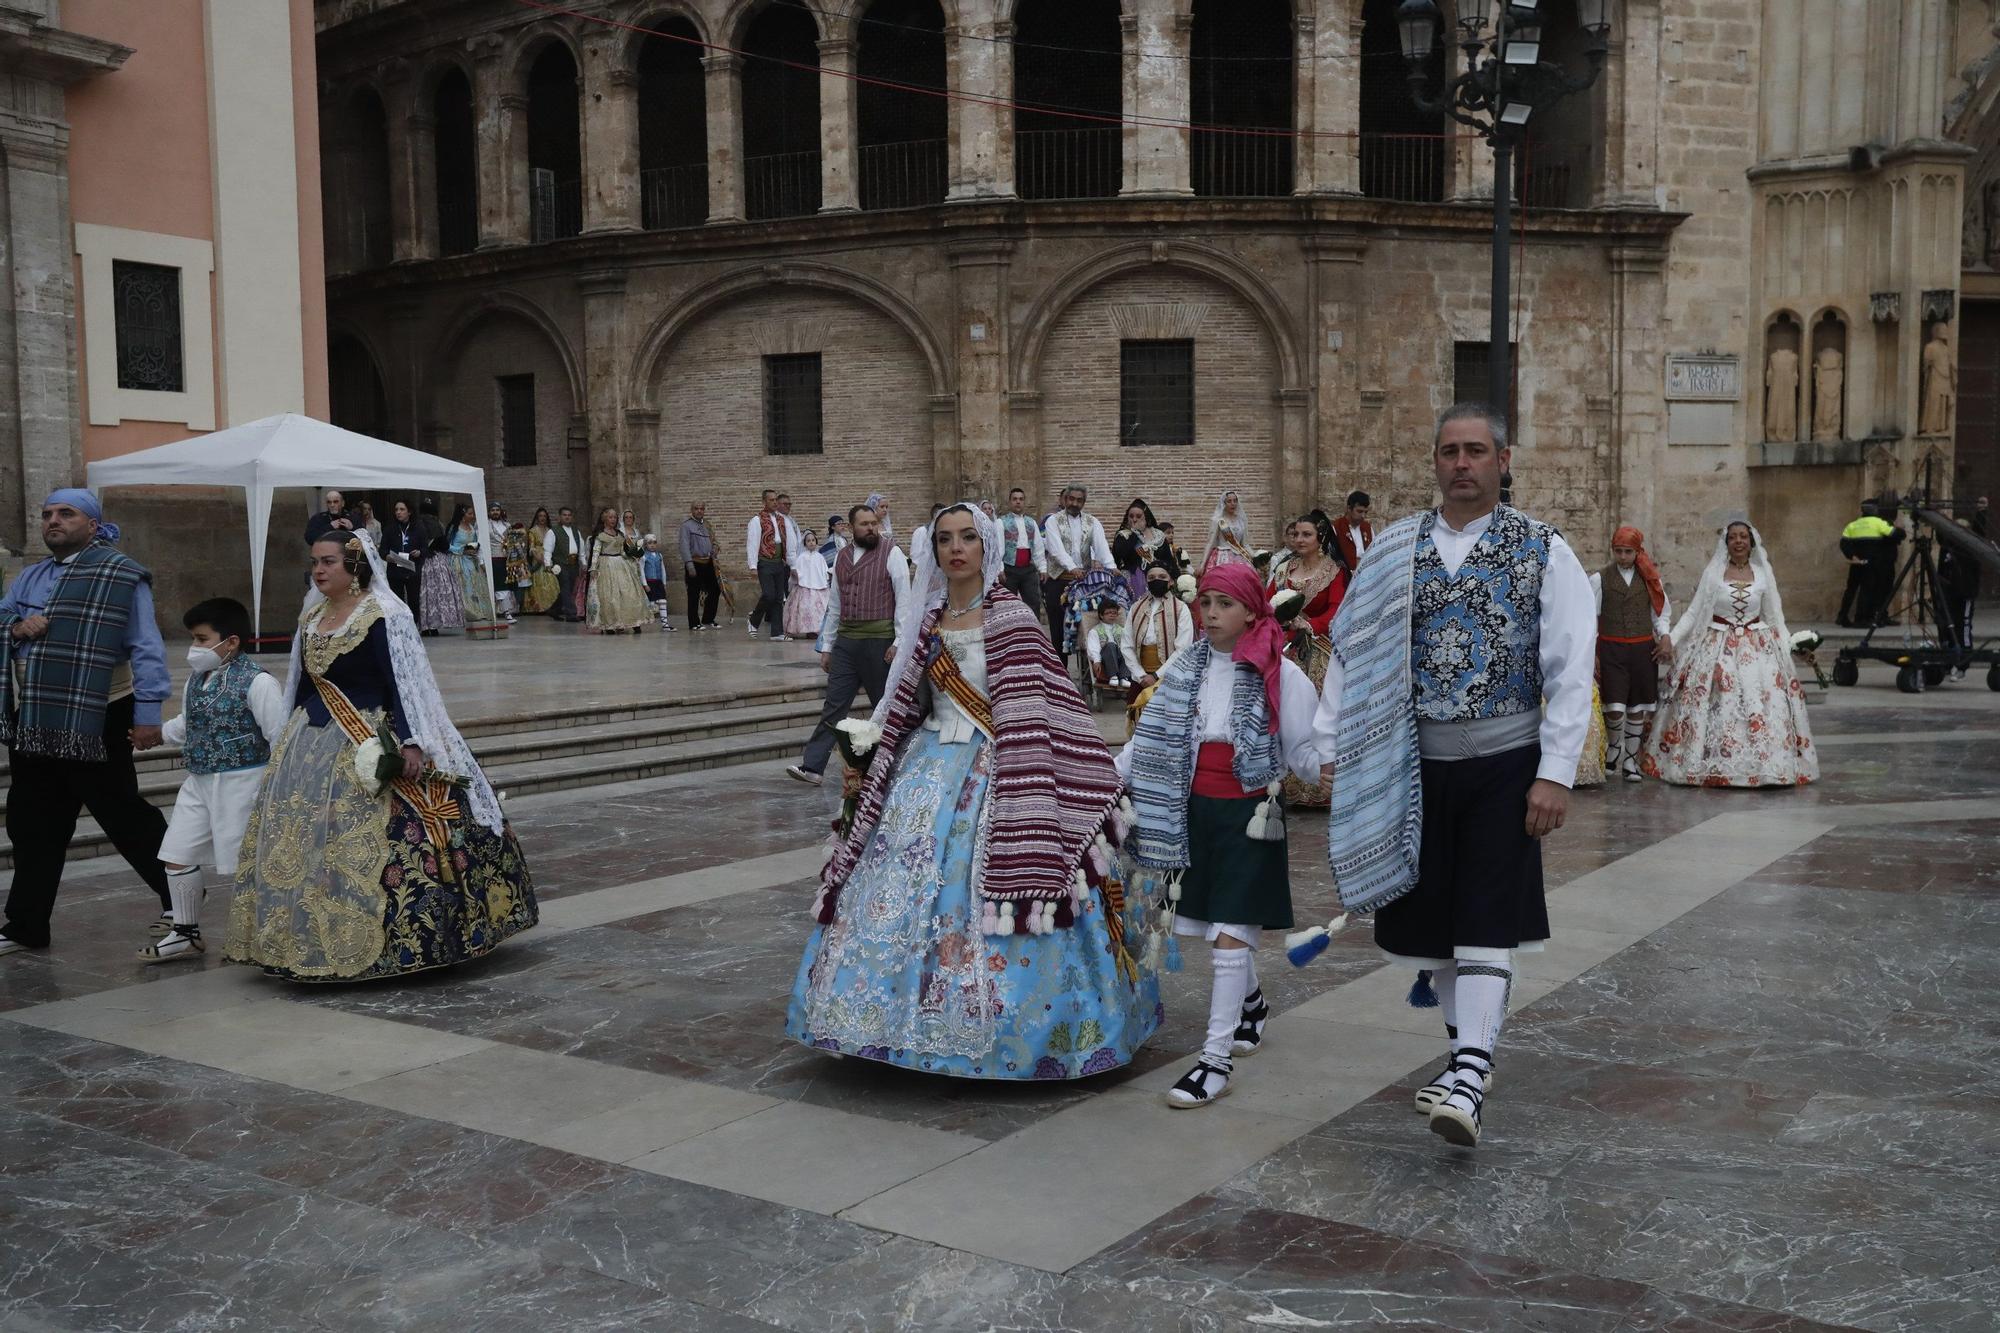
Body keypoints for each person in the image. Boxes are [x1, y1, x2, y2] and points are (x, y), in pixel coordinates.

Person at [786, 502, 1160, 1078]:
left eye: (967, 538)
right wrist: (871, 747)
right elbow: (905, 700)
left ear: (987, 548)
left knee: (984, 882)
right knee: (896, 889)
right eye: (943, 540)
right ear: (932, 551)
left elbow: (1044, 704)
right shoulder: (929, 619)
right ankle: (878, 1021)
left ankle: (1026, 1033)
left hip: (999, 771)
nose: (955, 548)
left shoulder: (1011, 618)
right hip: (924, 774)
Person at [1311, 403, 1594, 1149]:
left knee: (1485, 916)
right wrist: (1333, 742)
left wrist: (1556, 771)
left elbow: (1570, 666)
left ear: (1505, 460)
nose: (1462, 463)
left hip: (1506, 764)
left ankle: (1469, 1069)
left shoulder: (1543, 549)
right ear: (1434, 461)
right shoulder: (1393, 551)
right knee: (1432, 925)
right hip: (1412, 763)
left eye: (1476, 450)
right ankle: (1467, 1051)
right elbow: (1354, 649)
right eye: (1449, 451)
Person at [225, 532, 536, 980]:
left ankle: (401, 943)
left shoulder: (383, 614)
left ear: (355, 566)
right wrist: (284, 746)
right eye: (315, 562)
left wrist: (412, 741)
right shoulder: (312, 616)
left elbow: (404, 682)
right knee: (305, 841)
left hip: (371, 735)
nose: (319, 570)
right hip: (310, 744)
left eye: (329, 561)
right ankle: (302, 937)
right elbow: (302, 685)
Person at [1120, 561, 1322, 1108]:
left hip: (1250, 817)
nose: (1210, 613)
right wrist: (1107, 778)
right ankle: (1251, 1005)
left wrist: (1334, 743)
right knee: (1213, 925)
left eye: (1224, 603)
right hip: (1193, 814)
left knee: (1230, 934)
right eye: (1205, 602)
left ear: (1252, 610)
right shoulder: (1186, 666)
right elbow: (1151, 739)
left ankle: (1214, 1062)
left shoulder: (1282, 674)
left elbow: (1305, 755)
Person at [0, 489, 175, 957]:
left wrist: (147, 715)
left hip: (100, 712)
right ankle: (26, 925)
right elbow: (3, 617)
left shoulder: (121, 574)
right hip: (36, 718)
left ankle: (182, 903)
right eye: (46, 515)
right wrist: (17, 628)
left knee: (122, 815)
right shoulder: (30, 576)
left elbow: (146, 646)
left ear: (94, 525)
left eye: (66, 514)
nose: (52, 521)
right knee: (32, 822)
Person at [139, 597, 288, 962]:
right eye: (193, 638)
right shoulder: (197, 680)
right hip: (199, 780)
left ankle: (264, 937)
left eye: (202, 639)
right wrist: (156, 734)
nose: (195, 648)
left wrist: (277, 787)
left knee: (246, 861)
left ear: (231, 641)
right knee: (176, 852)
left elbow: (280, 735)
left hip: (243, 784)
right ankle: (185, 932)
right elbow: (188, 723)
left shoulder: (259, 682)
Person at [1641, 520, 1818, 788]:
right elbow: (1693, 613)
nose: (1738, 541)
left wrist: (1790, 648)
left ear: (1751, 542)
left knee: (1760, 702)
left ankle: (1764, 766)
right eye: (1733, 537)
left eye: (1743, 537)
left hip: (1757, 649)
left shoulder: (1762, 574)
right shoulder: (1713, 574)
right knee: (1719, 701)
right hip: (1716, 646)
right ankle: (1713, 763)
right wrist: (1671, 639)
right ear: (1726, 544)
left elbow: (1773, 618)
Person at [787, 503, 909, 786]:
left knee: (883, 705)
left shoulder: (892, 553)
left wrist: (899, 641)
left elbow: (905, 598)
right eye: (864, 524)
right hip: (846, 643)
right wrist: (827, 646)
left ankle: (898, 764)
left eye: (873, 523)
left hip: (880, 642)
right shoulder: (841, 557)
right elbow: (835, 604)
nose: (870, 528)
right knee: (834, 706)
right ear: (852, 527)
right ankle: (813, 767)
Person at [1268, 513, 1347, 810]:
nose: (1299, 540)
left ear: (1321, 538)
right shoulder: (1283, 569)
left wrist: (1309, 624)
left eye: (1306, 535)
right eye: (1296, 534)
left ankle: (1319, 782)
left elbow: (1337, 608)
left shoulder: (1334, 571)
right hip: (1285, 648)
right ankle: (1283, 782)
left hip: (1318, 648)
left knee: (1318, 711)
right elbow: (1268, 602)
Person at [1591, 526, 1674, 782]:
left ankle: (1630, 759)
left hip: (1641, 649)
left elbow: (1660, 613)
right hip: (1611, 648)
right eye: (1619, 551)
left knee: (1637, 705)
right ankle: (1614, 747)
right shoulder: (1599, 578)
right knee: (1614, 704)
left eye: (1628, 552)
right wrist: (1591, 650)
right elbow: (1591, 616)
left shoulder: (1650, 579)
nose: (1623, 556)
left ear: (1638, 551)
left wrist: (1666, 637)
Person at [1043, 485, 1118, 658]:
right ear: (1065, 500)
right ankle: (1060, 671)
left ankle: (1088, 670)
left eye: (1079, 500)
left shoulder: (1092, 522)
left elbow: (1102, 548)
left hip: (1083, 584)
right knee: (1058, 630)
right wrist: (1072, 567)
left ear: (1084, 502)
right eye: (1071, 499)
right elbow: (1056, 550)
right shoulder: (1053, 521)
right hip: (1059, 580)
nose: (1074, 503)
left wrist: (1112, 567)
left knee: (1085, 626)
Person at [745, 489, 802, 641]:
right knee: (768, 595)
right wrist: (752, 566)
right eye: (771, 500)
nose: (775, 502)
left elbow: (789, 544)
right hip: (764, 561)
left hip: (779, 562)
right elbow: (752, 544)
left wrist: (793, 565)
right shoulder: (757, 520)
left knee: (778, 597)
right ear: (764, 502)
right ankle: (753, 620)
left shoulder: (783, 520)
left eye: (776, 500)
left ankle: (777, 632)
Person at [1836, 501, 1897, 628]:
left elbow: (1844, 544)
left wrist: (1852, 556)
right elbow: (1894, 534)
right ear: (1875, 511)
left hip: (1856, 562)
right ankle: (1861, 619)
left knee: (1851, 589)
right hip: (1871, 563)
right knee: (1867, 590)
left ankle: (1842, 616)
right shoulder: (1878, 523)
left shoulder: (1853, 525)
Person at [587, 507, 648, 634]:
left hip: (621, 565)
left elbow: (622, 552)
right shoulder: (601, 535)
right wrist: (593, 567)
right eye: (610, 517)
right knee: (609, 597)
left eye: (615, 517)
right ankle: (610, 624)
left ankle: (633, 622)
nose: (613, 519)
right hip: (606, 565)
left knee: (628, 593)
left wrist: (633, 556)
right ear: (604, 518)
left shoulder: (620, 534)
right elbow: (596, 552)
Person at [1112, 499, 1177, 603]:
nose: (1134, 519)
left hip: (1158, 581)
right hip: (1132, 582)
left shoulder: (1158, 535)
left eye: (1138, 516)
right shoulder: (1123, 535)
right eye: (1131, 516)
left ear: (1146, 516)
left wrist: (1173, 579)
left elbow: (1169, 560)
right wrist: (1135, 533)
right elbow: (1120, 555)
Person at [416, 497, 463, 636]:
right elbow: (445, 545)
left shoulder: (417, 524)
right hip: (437, 561)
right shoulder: (438, 524)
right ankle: (435, 625)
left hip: (421, 560)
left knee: (423, 594)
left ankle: (424, 625)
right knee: (437, 593)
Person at [996, 487, 1046, 615]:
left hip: (1028, 570)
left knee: (1033, 602)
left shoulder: (1031, 523)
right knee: (1008, 604)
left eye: (1021, 499)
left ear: (1024, 502)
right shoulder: (1001, 522)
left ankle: (1034, 632)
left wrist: (1042, 568)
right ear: (1009, 502)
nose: (1018, 502)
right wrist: (999, 568)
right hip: (1009, 569)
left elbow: (1038, 548)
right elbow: (998, 548)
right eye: (1015, 499)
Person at [447, 504, 497, 628]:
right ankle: (463, 611)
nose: (472, 516)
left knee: (474, 584)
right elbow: (447, 545)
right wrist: (461, 550)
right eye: (470, 514)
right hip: (457, 560)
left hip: (471, 560)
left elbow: (475, 542)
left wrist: (474, 549)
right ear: (463, 515)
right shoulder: (454, 528)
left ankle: (476, 610)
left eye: (472, 514)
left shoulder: (472, 527)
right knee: (462, 585)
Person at [380, 499, 428, 626]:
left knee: (413, 599)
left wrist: (419, 552)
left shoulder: (419, 528)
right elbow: (382, 550)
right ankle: (400, 626)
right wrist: (387, 556)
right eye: (396, 510)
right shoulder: (390, 529)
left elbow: (425, 548)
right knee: (397, 599)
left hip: (412, 569)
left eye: (402, 509)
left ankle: (414, 625)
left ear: (409, 512)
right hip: (395, 570)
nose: (398, 512)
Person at [679, 501, 721, 630]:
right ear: (692, 510)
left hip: (707, 562)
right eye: (696, 508)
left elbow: (714, 540)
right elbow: (684, 546)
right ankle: (694, 623)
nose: (699, 511)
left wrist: (714, 547)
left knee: (715, 589)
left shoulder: (707, 525)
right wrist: (689, 564)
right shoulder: (686, 526)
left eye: (702, 509)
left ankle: (708, 619)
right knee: (694, 594)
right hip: (694, 562)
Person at [546, 506, 590, 623]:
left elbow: (580, 549)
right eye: (564, 515)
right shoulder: (553, 531)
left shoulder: (576, 531)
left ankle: (554, 609)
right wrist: (548, 564)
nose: (567, 517)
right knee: (565, 586)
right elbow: (548, 549)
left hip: (573, 563)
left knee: (569, 589)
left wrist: (583, 563)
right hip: (560, 564)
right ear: (560, 517)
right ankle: (571, 613)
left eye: (569, 515)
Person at [785, 530, 831, 640]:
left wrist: (825, 580)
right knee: (804, 608)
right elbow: (797, 571)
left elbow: (824, 571)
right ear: (805, 543)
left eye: (813, 540)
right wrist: (796, 576)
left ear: (816, 542)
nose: (811, 543)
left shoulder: (820, 557)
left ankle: (815, 631)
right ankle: (803, 629)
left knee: (819, 609)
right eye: (808, 541)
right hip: (804, 588)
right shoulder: (801, 557)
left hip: (819, 588)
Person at [1198, 490, 1254, 574]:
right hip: (1223, 557)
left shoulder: (1241, 521)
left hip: (1240, 557)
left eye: (1235, 501)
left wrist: (1256, 557)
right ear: (1224, 503)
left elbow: (1245, 544)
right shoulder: (1218, 521)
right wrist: (1202, 565)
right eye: (1229, 501)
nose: (1233, 503)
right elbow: (1210, 543)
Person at [1086, 599, 1135, 687]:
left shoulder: (1122, 630)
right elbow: (1094, 648)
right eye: (1108, 613)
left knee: (1126, 649)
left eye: (1114, 613)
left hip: (1120, 659)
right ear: (1101, 615)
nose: (1112, 615)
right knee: (1111, 645)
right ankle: (1113, 676)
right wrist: (1096, 661)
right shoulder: (1094, 631)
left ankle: (1124, 677)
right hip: (1105, 660)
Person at [523, 507, 560, 615]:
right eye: (540, 516)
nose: (542, 518)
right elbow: (531, 547)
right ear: (537, 517)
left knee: (552, 580)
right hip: (537, 557)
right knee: (539, 581)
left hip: (549, 556)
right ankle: (538, 607)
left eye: (544, 516)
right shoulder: (532, 531)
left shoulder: (550, 531)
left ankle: (551, 606)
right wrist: (540, 559)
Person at [500, 514, 531, 625]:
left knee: (519, 588)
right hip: (512, 565)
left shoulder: (520, 542)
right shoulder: (510, 541)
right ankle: (511, 608)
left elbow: (522, 554)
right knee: (513, 586)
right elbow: (505, 551)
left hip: (520, 565)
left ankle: (516, 608)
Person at [1332, 491, 1374, 571]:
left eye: (1366, 512)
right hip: (1344, 576)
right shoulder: (1336, 527)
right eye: (1359, 511)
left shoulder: (1368, 528)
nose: (1363, 516)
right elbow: (1331, 556)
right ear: (1349, 508)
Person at [640, 535, 675, 631]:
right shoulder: (643, 556)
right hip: (649, 582)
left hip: (658, 582)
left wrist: (664, 583)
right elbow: (641, 571)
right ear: (646, 544)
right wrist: (645, 584)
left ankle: (665, 625)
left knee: (663, 602)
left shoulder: (660, 555)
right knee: (651, 604)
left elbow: (663, 569)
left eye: (654, 543)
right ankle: (644, 624)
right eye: (649, 543)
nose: (652, 545)